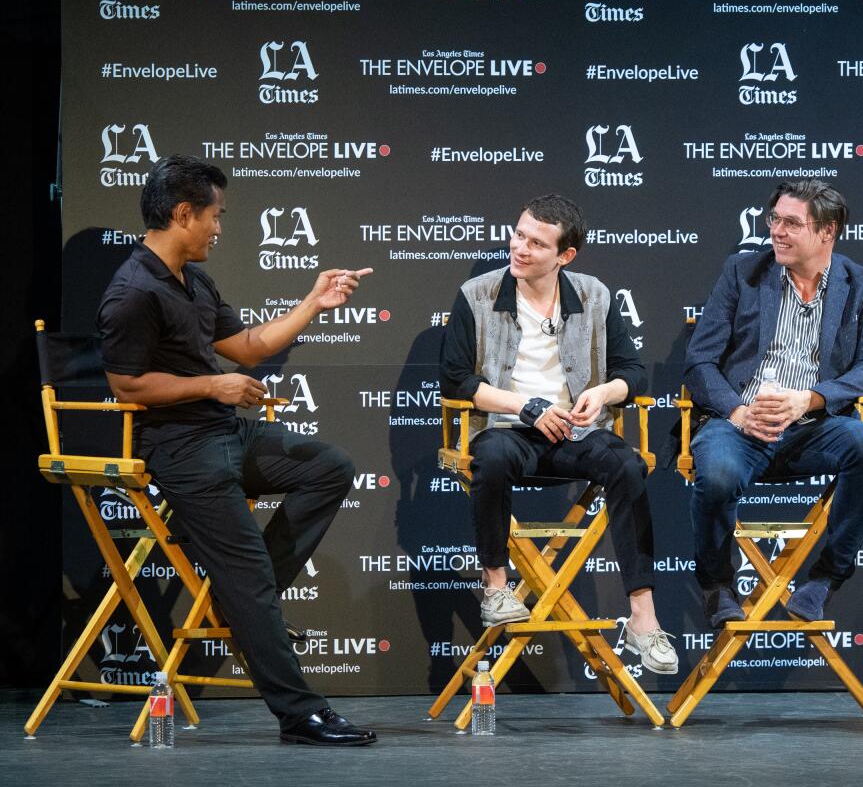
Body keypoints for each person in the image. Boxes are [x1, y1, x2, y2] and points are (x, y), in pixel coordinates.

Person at [97, 154, 377, 746]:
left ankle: (242, 601)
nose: (220, 228)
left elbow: (247, 348)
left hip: (223, 432)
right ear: (183, 213)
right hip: (177, 449)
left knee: (331, 468)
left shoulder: (193, 279)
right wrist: (211, 384)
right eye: (215, 216)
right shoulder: (132, 291)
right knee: (247, 574)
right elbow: (126, 386)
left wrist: (312, 303)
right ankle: (300, 714)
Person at [439, 194, 678, 675]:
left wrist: (604, 393)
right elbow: (455, 379)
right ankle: (495, 586)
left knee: (628, 465)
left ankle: (643, 619)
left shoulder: (594, 295)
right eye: (519, 234)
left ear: (565, 256)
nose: (520, 248)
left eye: (536, 243)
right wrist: (524, 406)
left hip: (578, 433)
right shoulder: (478, 295)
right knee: (493, 457)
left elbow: (635, 372)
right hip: (508, 429)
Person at [685, 179, 863, 628]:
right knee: (717, 475)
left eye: (792, 223)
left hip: (813, 427)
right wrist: (738, 412)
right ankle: (718, 586)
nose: (777, 230)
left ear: (827, 232)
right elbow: (699, 361)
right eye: (774, 219)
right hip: (739, 424)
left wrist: (810, 400)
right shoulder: (742, 272)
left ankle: (824, 579)